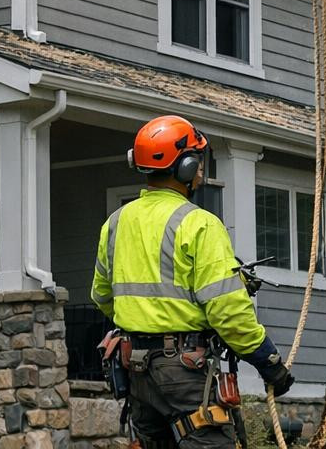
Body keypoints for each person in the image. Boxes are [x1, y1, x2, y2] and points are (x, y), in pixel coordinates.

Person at [92, 115, 294, 448]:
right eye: (197, 160)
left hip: (136, 371)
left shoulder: (115, 223)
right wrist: (268, 361)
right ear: (184, 167)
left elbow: (102, 296)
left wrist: (146, 320)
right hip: (184, 372)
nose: (200, 168)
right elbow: (227, 311)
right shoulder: (199, 224)